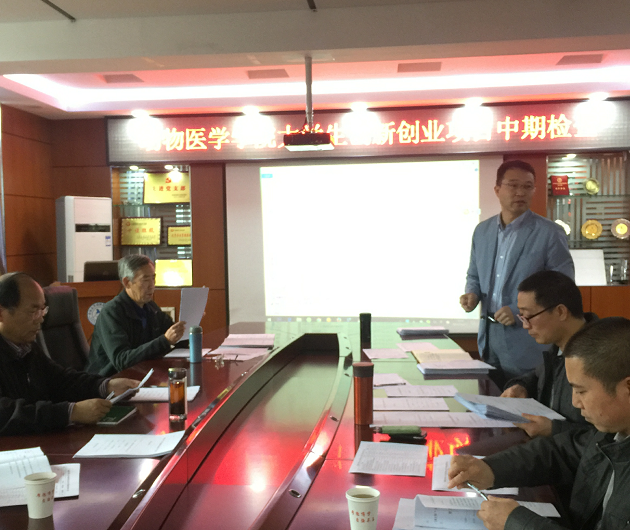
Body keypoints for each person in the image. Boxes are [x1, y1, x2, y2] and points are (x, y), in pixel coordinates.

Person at [448, 317, 630, 530]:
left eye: (581, 391)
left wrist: (518, 524)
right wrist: (490, 469)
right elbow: (560, 451)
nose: (575, 402)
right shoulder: (612, 433)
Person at [460, 160, 574, 387]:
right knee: (492, 402)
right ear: (497, 189)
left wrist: (518, 311)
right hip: (489, 340)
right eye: (513, 185)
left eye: (527, 186)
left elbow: (563, 285)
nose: (520, 192)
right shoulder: (482, 231)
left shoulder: (549, 233)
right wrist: (472, 294)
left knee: (526, 403)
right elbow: (474, 275)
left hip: (528, 341)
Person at [0, 272, 139, 435]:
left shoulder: (27, 347)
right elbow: (5, 413)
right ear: (1, 313)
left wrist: (105, 386)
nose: (41, 319)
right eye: (33, 311)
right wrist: (70, 412)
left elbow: (61, 380)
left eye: (43, 310)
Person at [501, 270, 592, 438]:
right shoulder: (559, 348)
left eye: (529, 316)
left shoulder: (601, 357)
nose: (525, 326)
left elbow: (612, 439)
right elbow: (538, 375)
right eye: (522, 317)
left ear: (560, 312)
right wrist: (521, 386)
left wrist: (554, 430)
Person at [86, 254, 186, 377]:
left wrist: (189, 323)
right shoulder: (111, 312)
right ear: (127, 282)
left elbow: (174, 338)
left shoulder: (151, 307)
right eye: (145, 280)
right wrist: (164, 341)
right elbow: (122, 361)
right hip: (110, 381)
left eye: (153, 278)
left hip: (142, 375)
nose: (152, 285)